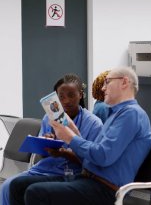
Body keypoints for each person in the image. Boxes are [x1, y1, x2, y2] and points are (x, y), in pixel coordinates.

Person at [9, 66, 151, 205]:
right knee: (18, 185)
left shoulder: (131, 114)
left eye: (107, 82)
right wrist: (74, 132)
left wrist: (70, 137)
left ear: (124, 82)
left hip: (106, 188)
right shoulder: (116, 115)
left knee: (36, 193)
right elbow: (94, 155)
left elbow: (103, 156)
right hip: (88, 178)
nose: (103, 88)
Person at [0, 74, 103, 205]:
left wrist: (65, 153)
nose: (66, 101)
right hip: (45, 169)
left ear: (81, 95)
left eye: (71, 95)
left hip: (74, 174)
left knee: (33, 192)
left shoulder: (94, 124)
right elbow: (42, 156)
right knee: (7, 186)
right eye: (61, 97)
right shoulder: (50, 118)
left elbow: (92, 163)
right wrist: (46, 143)